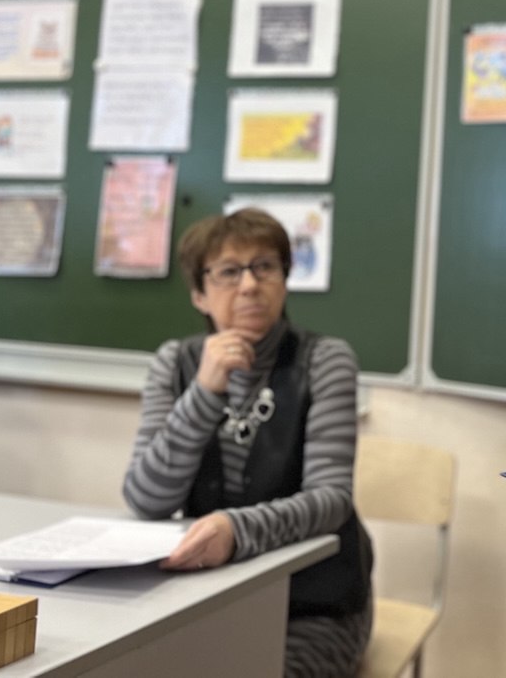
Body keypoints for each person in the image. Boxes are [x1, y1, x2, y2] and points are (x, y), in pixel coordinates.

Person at [124, 207, 373, 678]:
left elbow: (331, 499)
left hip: (312, 602)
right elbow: (146, 499)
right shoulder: (174, 363)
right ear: (199, 294)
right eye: (229, 272)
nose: (250, 285)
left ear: (284, 279)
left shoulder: (325, 360)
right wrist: (204, 392)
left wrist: (237, 531)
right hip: (205, 594)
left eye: (265, 267)